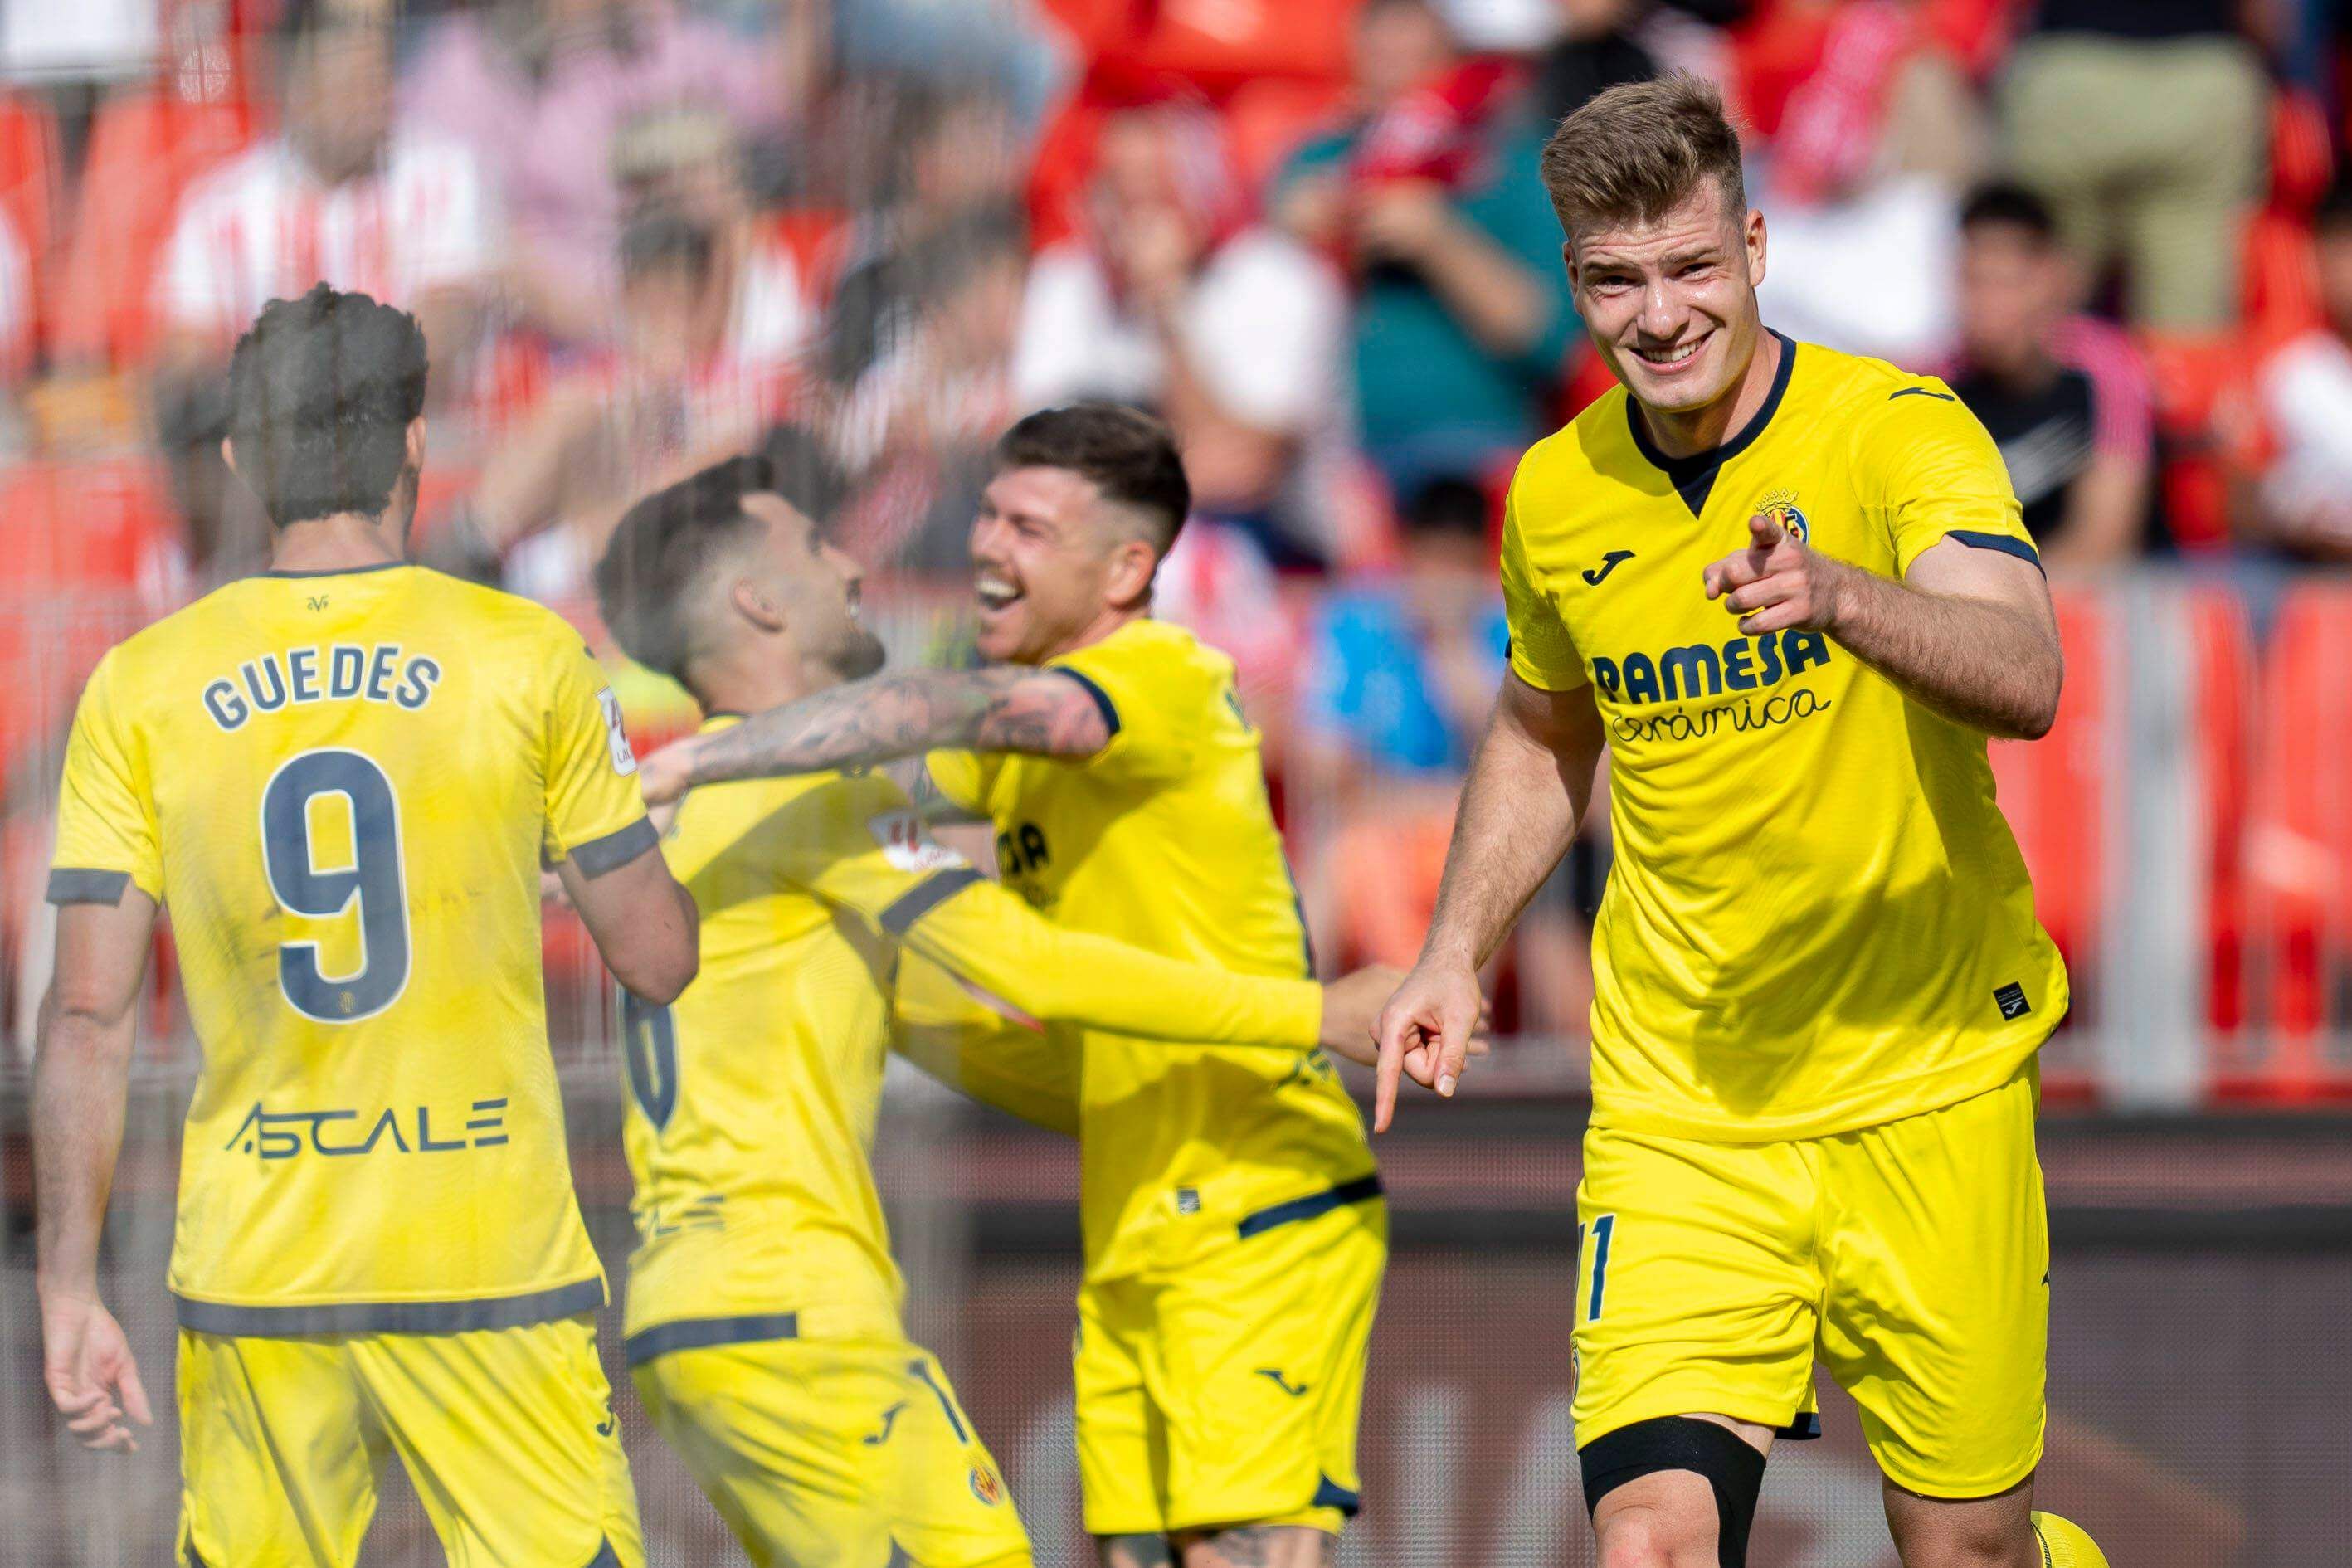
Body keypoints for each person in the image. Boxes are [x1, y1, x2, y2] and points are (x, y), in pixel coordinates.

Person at [1371, 76, 2107, 1568]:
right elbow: (1541, 723)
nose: (1660, 316)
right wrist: (1453, 950)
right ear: (1573, 280)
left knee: (1968, 1547)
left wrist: (1842, 596)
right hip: (1682, 1107)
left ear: (1757, 245)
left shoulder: (1895, 429)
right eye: (1617, 281)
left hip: (1929, 1079)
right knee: (1646, 1544)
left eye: (1693, 267)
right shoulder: (1557, 497)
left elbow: (2027, 674)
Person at [591, 454, 1400, 1567]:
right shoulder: (810, 788)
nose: (850, 564)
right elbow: (1031, 970)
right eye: (816, 545)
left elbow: (953, 1031)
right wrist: (1307, 1013)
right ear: (758, 599)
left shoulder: (712, 813)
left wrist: (1166, 1096)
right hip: (792, 1307)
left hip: (690, 1314)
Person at [33, 285, 695, 1566]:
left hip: (259, 1276)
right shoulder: (528, 655)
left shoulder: (142, 683)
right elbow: (656, 956)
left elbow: (85, 1012)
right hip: (492, 1265)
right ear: (413, 444)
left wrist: (69, 1284)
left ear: (237, 458)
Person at [1945, 183, 2153, 572]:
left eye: (2009, 282)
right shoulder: (1932, 382)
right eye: (1976, 281)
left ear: (2053, 280)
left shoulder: (2108, 371)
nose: (1991, 306)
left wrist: (2002, 607)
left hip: (2073, 599)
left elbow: (2104, 538)